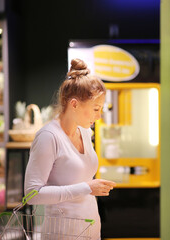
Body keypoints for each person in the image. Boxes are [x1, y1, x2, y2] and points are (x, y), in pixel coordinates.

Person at [24, 58, 116, 240]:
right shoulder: (48, 137)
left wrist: (88, 188)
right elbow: (32, 195)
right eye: (96, 109)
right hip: (61, 233)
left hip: (90, 229)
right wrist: (86, 188)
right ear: (74, 104)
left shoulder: (84, 131)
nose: (99, 116)